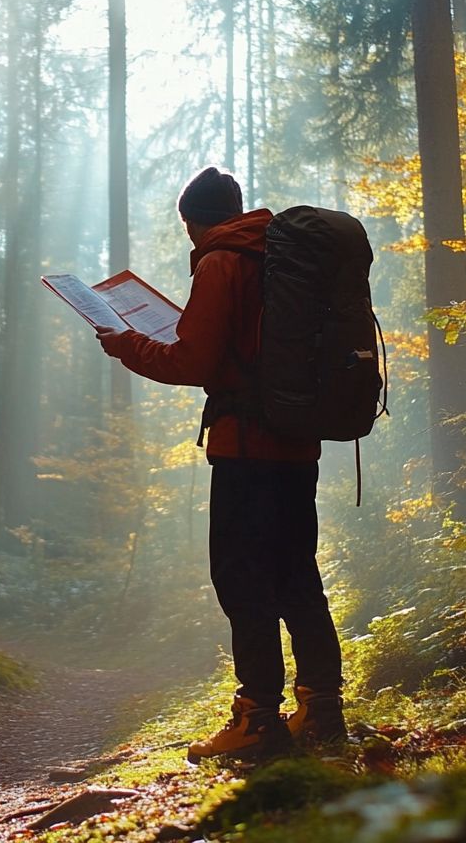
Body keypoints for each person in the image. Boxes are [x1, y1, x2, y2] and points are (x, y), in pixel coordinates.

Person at [95, 167, 345, 759]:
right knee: (297, 574)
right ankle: (322, 709)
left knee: (243, 579)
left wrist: (123, 341)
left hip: (243, 447)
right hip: (296, 443)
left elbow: (194, 361)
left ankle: (257, 718)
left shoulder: (220, 261)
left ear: (194, 220)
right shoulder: (281, 257)